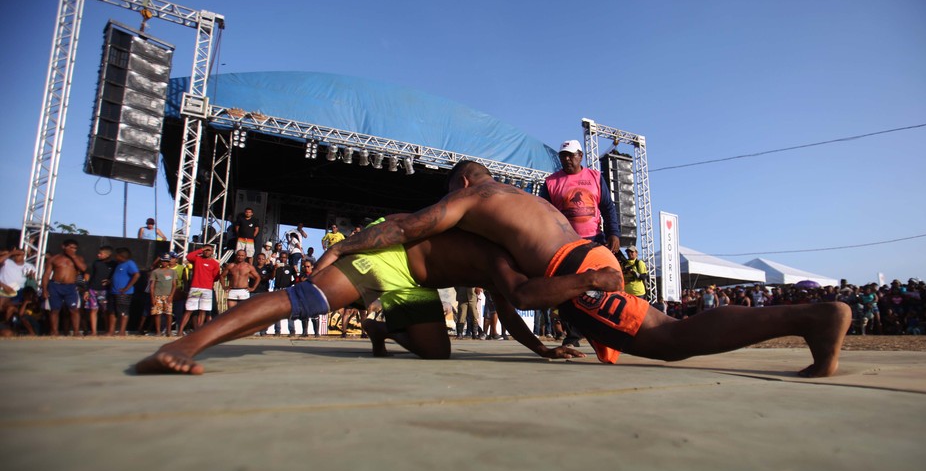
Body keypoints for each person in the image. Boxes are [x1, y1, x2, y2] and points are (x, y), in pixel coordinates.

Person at [317, 160, 851, 376]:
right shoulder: (527, 200)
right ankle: (811, 320)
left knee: (671, 339)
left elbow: (408, 228)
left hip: (576, 272)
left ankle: (811, 318)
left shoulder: (472, 197)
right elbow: (502, 293)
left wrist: (343, 248)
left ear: (461, 183)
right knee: (667, 336)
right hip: (582, 257)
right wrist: (541, 346)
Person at [136, 225, 617, 374]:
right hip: (388, 257)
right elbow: (524, 296)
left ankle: (381, 328)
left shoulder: (504, 259)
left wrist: (540, 348)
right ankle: (185, 345)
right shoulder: (469, 223)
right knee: (303, 300)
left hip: (417, 286)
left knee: (436, 352)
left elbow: (511, 307)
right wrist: (340, 249)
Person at [539, 139, 621, 347]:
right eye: (563, 156)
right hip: (566, 244)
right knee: (567, 290)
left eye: (570, 155)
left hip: (594, 240)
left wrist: (614, 233)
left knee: (600, 287)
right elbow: (542, 214)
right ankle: (573, 335)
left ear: (580, 156)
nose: (566, 159)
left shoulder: (594, 177)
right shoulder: (551, 183)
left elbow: (608, 208)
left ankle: (604, 334)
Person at [41, 239, 87, 336]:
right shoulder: (54, 259)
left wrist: (73, 256)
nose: (73, 250)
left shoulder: (78, 258)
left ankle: (76, 332)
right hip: (55, 286)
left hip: (70, 286)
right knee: (54, 310)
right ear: (63, 247)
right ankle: (54, 331)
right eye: (70, 247)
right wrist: (44, 289)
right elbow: (46, 275)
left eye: (75, 248)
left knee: (74, 309)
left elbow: (83, 269)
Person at [177, 246, 222, 334]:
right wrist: (201, 250)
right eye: (205, 250)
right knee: (189, 310)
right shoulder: (197, 259)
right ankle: (180, 331)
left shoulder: (215, 263)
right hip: (195, 288)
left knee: (203, 310)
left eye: (209, 250)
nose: (206, 252)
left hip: (207, 289)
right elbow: (189, 256)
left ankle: (198, 331)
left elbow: (216, 277)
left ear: (212, 252)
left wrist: (207, 280)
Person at [107, 247, 140, 336]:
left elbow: (136, 275)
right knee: (112, 311)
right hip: (114, 291)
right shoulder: (119, 264)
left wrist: (126, 288)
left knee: (123, 312)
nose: (115, 257)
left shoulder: (130, 263)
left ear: (121, 256)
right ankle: (111, 331)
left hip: (124, 293)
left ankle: (122, 331)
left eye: (116, 255)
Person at [84, 245, 115, 335]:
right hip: (93, 289)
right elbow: (90, 276)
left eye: (100, 254)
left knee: (105, 311)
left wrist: (110, 281)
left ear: (107, 255)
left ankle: (107, 330)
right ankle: (93, 332)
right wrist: (87, 290)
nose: (98, 255)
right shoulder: (96, 263)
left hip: (105, 290)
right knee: (93, 310)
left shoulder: (114, 264)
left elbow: (117, 276)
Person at [148, 254, 177, 336]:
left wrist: (171, 296)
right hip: (157, 295)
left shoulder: (172, 272)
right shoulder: (156, 272)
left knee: (168, 314)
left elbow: (174, 285)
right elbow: (152, 285)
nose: (165, 263)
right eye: (163, 261)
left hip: (168, 295)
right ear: (161, 261)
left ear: (169, 262)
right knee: (158, 314)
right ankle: (158, 331)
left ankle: (168, 331)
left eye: (167, 261)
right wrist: (152, 297)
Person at [272, 251, 299, 336]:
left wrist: (291, 284)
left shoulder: (290, 267)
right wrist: (274, 269)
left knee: (289, 310)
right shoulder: (276, 267)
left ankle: (292, 331)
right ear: (279, 258)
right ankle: (277, 331)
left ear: (287, 258)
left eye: (284, 257)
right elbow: (272, 277)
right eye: (281, 257)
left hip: (287, 290)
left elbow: (296, 278)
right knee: (277, 311)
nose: (283, 259)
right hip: (277, 290)